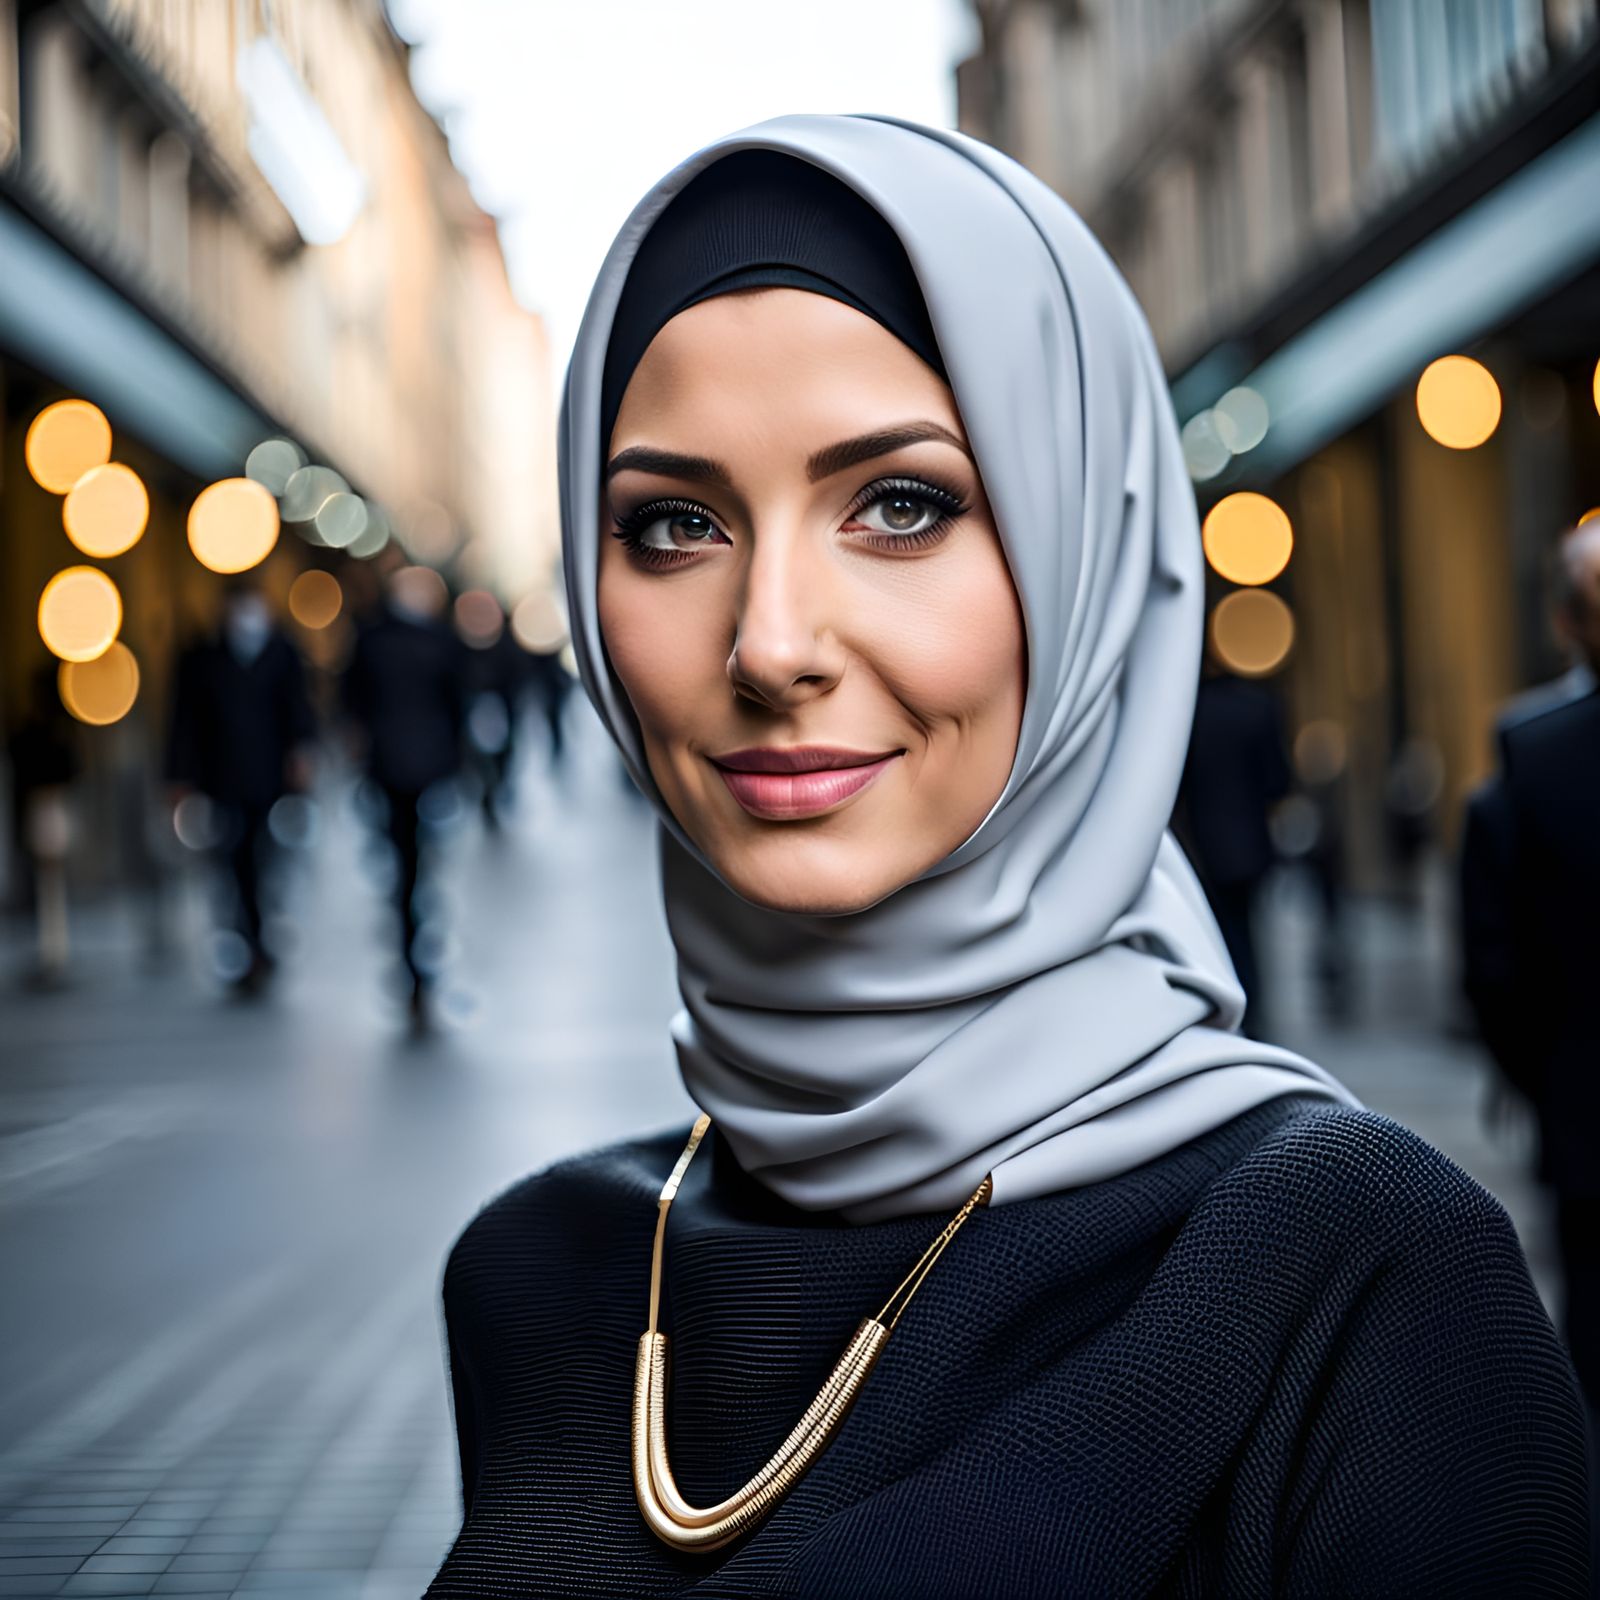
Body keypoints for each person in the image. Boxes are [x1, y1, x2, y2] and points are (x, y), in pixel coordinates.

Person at [426, 121, 1590, 1598]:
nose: (771, 642)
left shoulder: (1357, 1276)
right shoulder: (539, 1273)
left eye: (900, 505)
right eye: (673, 524)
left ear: (1080, 558)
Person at [1461, 514, 1600, 1413]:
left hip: (1584, 1106)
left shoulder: (1530, 756)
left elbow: (1492, 967)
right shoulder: (1533, 755)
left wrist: (1544, 1076)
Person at [166, 577, 316, 993]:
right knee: (231, 862)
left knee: (266, 859)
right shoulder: (201, 656)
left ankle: (260, 935)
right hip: (222, 778)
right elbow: (184, 720)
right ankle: (247, 941)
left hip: (269, 778)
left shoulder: (281, 650)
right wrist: (179, 776)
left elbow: (298, 707)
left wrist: (302, 754)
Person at [342, 564, 467, 1026]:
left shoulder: (421, 641)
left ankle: (413, 931)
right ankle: (412, 935)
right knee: (409, 861)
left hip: (417, 768)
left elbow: (456, 702)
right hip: (402, 769)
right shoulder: (390, 641)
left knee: (414, 861)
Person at [1174, 665, 1292, 1035]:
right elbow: (1279, 782)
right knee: (1249, 928)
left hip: (1204, 846)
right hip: (1251, 845)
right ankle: (1253, 1011)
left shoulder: (1191, 713)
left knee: (1223, 931)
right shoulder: (1258, 709)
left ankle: (1234, 1007)